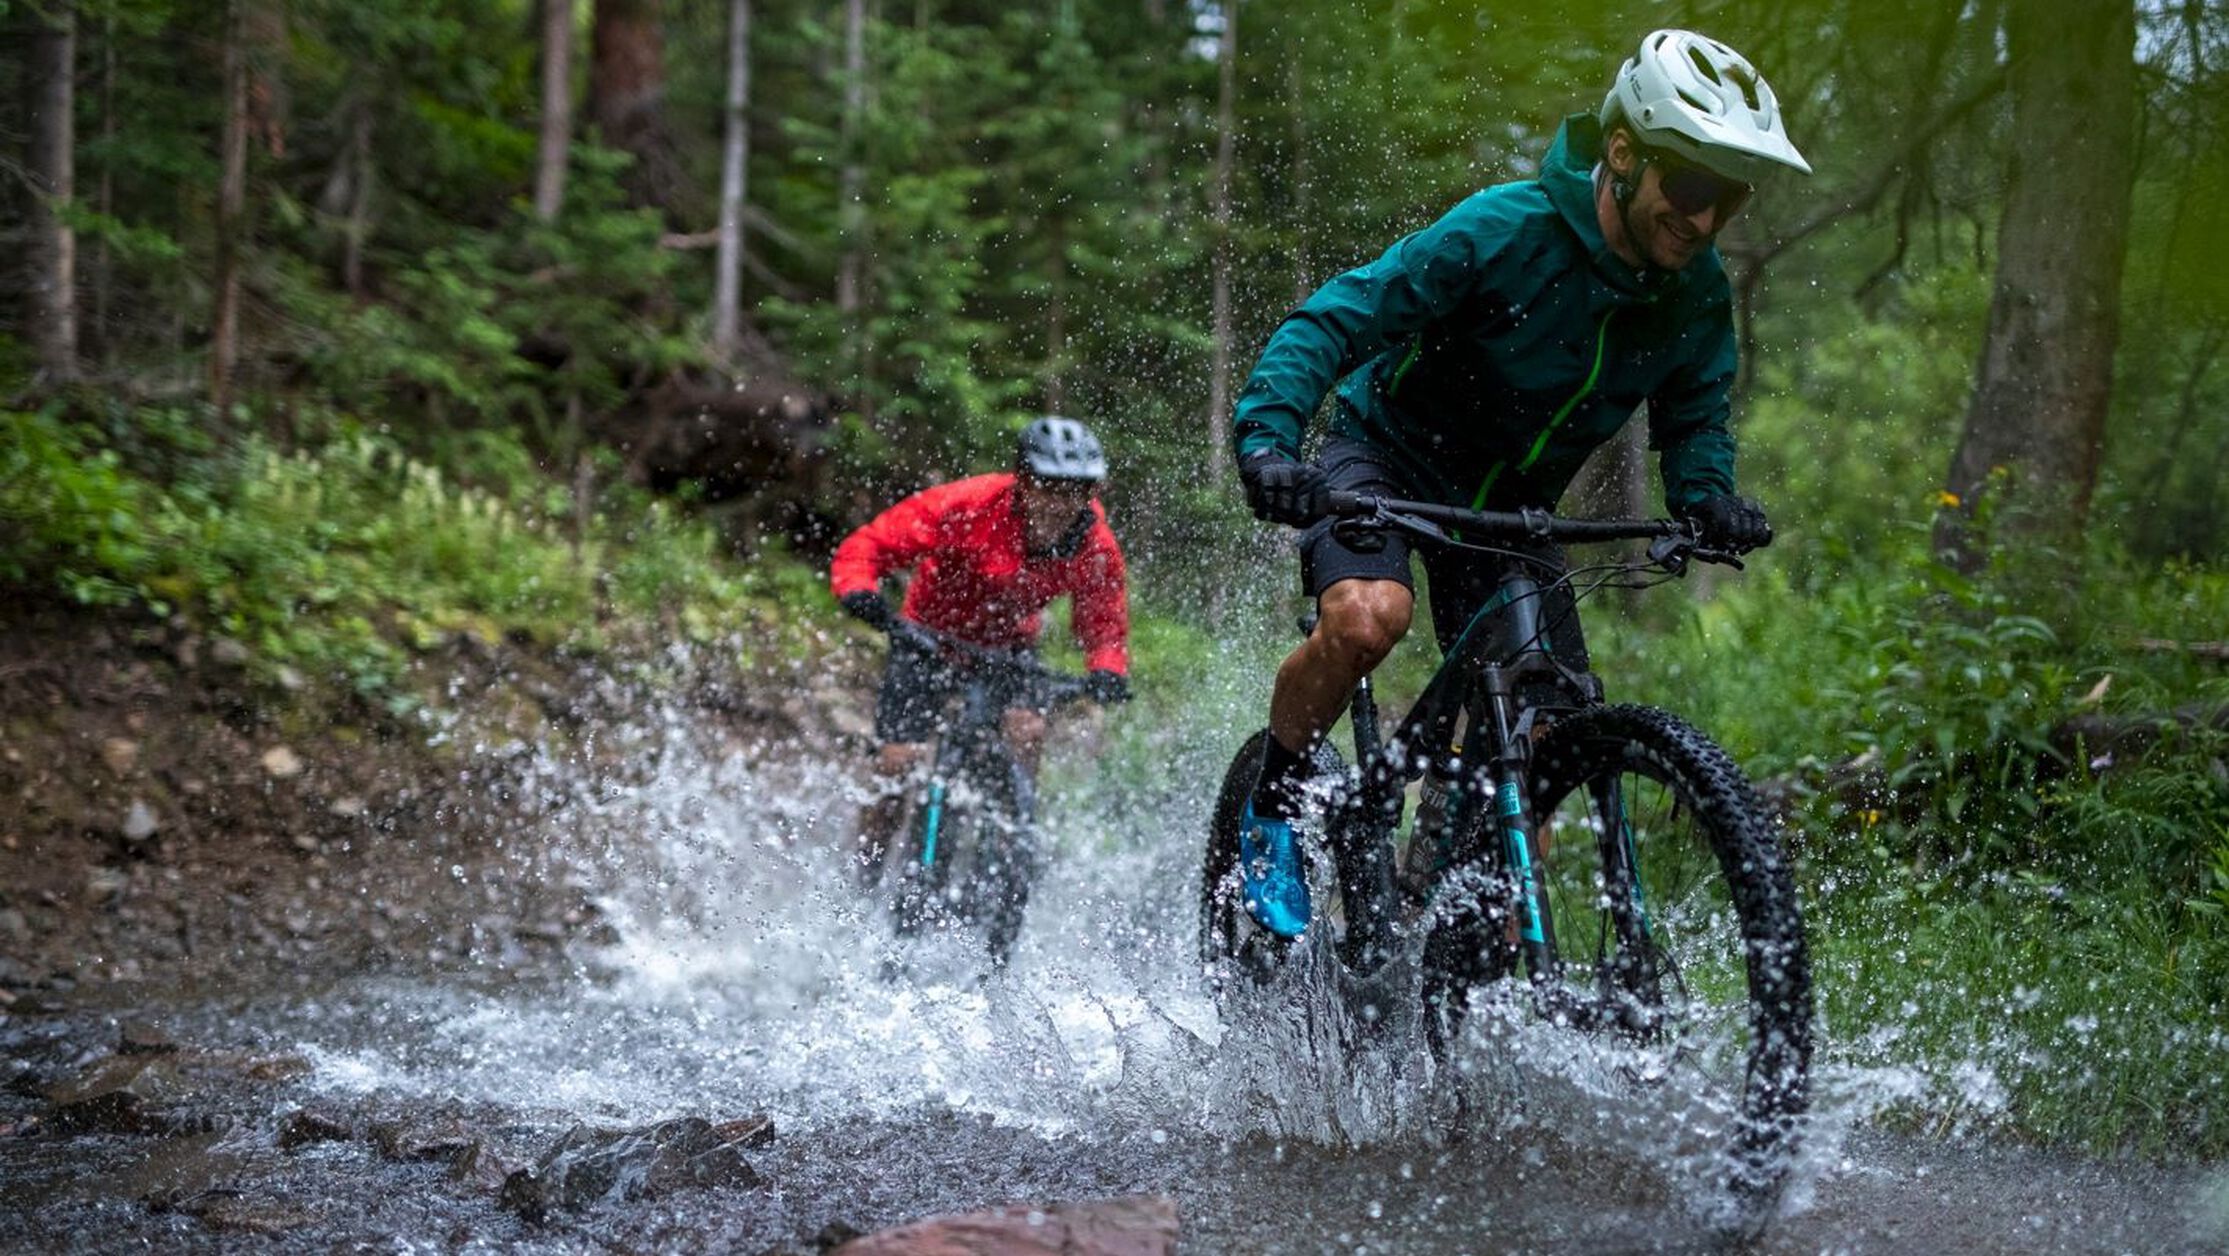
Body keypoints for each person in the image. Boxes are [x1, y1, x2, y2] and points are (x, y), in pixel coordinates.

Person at [1228, 29, 1810, 940]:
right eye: (1688, 187)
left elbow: (1694, 415)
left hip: (1512, 512)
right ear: (1622, 154)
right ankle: (1272, 803)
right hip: (1384, 456)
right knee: (1367, 618)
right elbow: (1337, 318)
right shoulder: (1504, 230)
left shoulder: (1691, 293)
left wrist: (1705, 493)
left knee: (1540, 740)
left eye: (1725, 198)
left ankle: (1456, 945)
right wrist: (1268, 443)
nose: (1700, 221)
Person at [830, 416, 1132, 881]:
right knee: (898, 762)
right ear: (1022, 481)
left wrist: (1107, 668)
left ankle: (1013, 840)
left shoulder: (1094, 543)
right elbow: (871, 545)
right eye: (1048, 487)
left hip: (1008, 648)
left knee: (1027, 731)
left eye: (1075, 490)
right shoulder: (970, 504)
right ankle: (864, 875)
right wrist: (860, 591)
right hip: (927, 639)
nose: (1059, 502)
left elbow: (1104, 620)